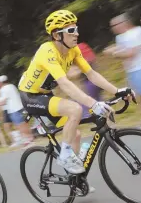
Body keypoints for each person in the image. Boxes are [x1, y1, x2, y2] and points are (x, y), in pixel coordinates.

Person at [18, 10, 134, 178]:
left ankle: (75, 179)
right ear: (57, 35)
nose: (77, 33)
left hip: (46, 94)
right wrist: (93, 103)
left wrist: (117, 90)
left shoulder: (73, 50)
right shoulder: (47, 51)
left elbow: (91, 74)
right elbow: (64, 83)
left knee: (75, 134)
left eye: (76, 28)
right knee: (75, 109)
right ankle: (65, 156)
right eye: (71, 30)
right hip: (30, 96)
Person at [103, 13, 141, 122]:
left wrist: (113, 53)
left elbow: (131, 53)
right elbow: (123, 50)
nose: (113, 28)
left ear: (123, 23)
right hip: (132, 70)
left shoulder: (137, 32)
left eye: (114, 25)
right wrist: (116, 51)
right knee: (139, 96)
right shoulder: (120, 37)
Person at [0, 75, 34, 146]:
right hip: (21, 106)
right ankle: (30, 137)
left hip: (13, 109)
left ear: (0, 82)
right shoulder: (12, 86)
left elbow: (4, 101)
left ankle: (26, 140)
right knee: (25, 123)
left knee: (19, 125)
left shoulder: (3, 89)